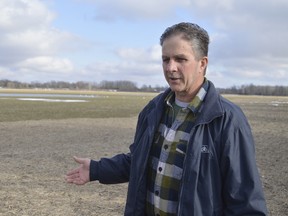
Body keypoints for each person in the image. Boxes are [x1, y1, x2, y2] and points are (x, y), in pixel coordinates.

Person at [65, 22, 268, 215]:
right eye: (165, 59)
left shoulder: (227, 120)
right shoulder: (153, 109)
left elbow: (245, 200)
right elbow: (139, 160)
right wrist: (96, 169)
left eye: (180, 59)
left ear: (202, 63)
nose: (170, 67)